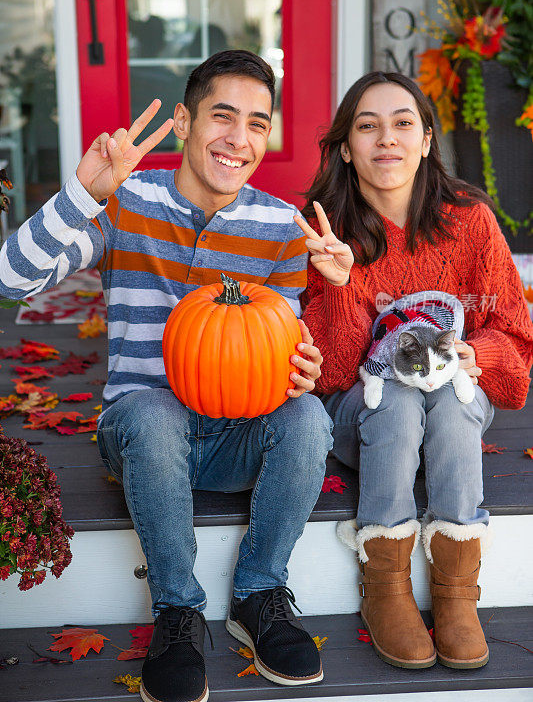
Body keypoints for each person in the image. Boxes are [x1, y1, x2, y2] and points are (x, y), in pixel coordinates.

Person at [0, 50, 333, 702]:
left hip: (237, 438)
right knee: (154, 414)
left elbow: (276, 343)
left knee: (309, 417)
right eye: (222, 116)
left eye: (257, 124)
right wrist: (83, 194)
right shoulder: (127, 203)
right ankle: (177, 613)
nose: (239, 139)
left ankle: (259, 592)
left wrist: (304, 369)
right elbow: (11, 280)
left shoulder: (279, 227)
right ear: (184, 120)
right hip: (143, 436)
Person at [295, 71, 533, 671]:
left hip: (453, 405)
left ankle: (456, 594)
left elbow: (513, 335)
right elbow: (332, 373)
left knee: (451, 403)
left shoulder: (470, 221)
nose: (387, 139)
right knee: (396, 398)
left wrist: (470, 355)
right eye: (367, 126)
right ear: (346, 147)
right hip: (368, 416)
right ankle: (387, 589)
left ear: (427, 139)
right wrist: (341, 283)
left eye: (403, 124)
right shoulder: (324, 232)